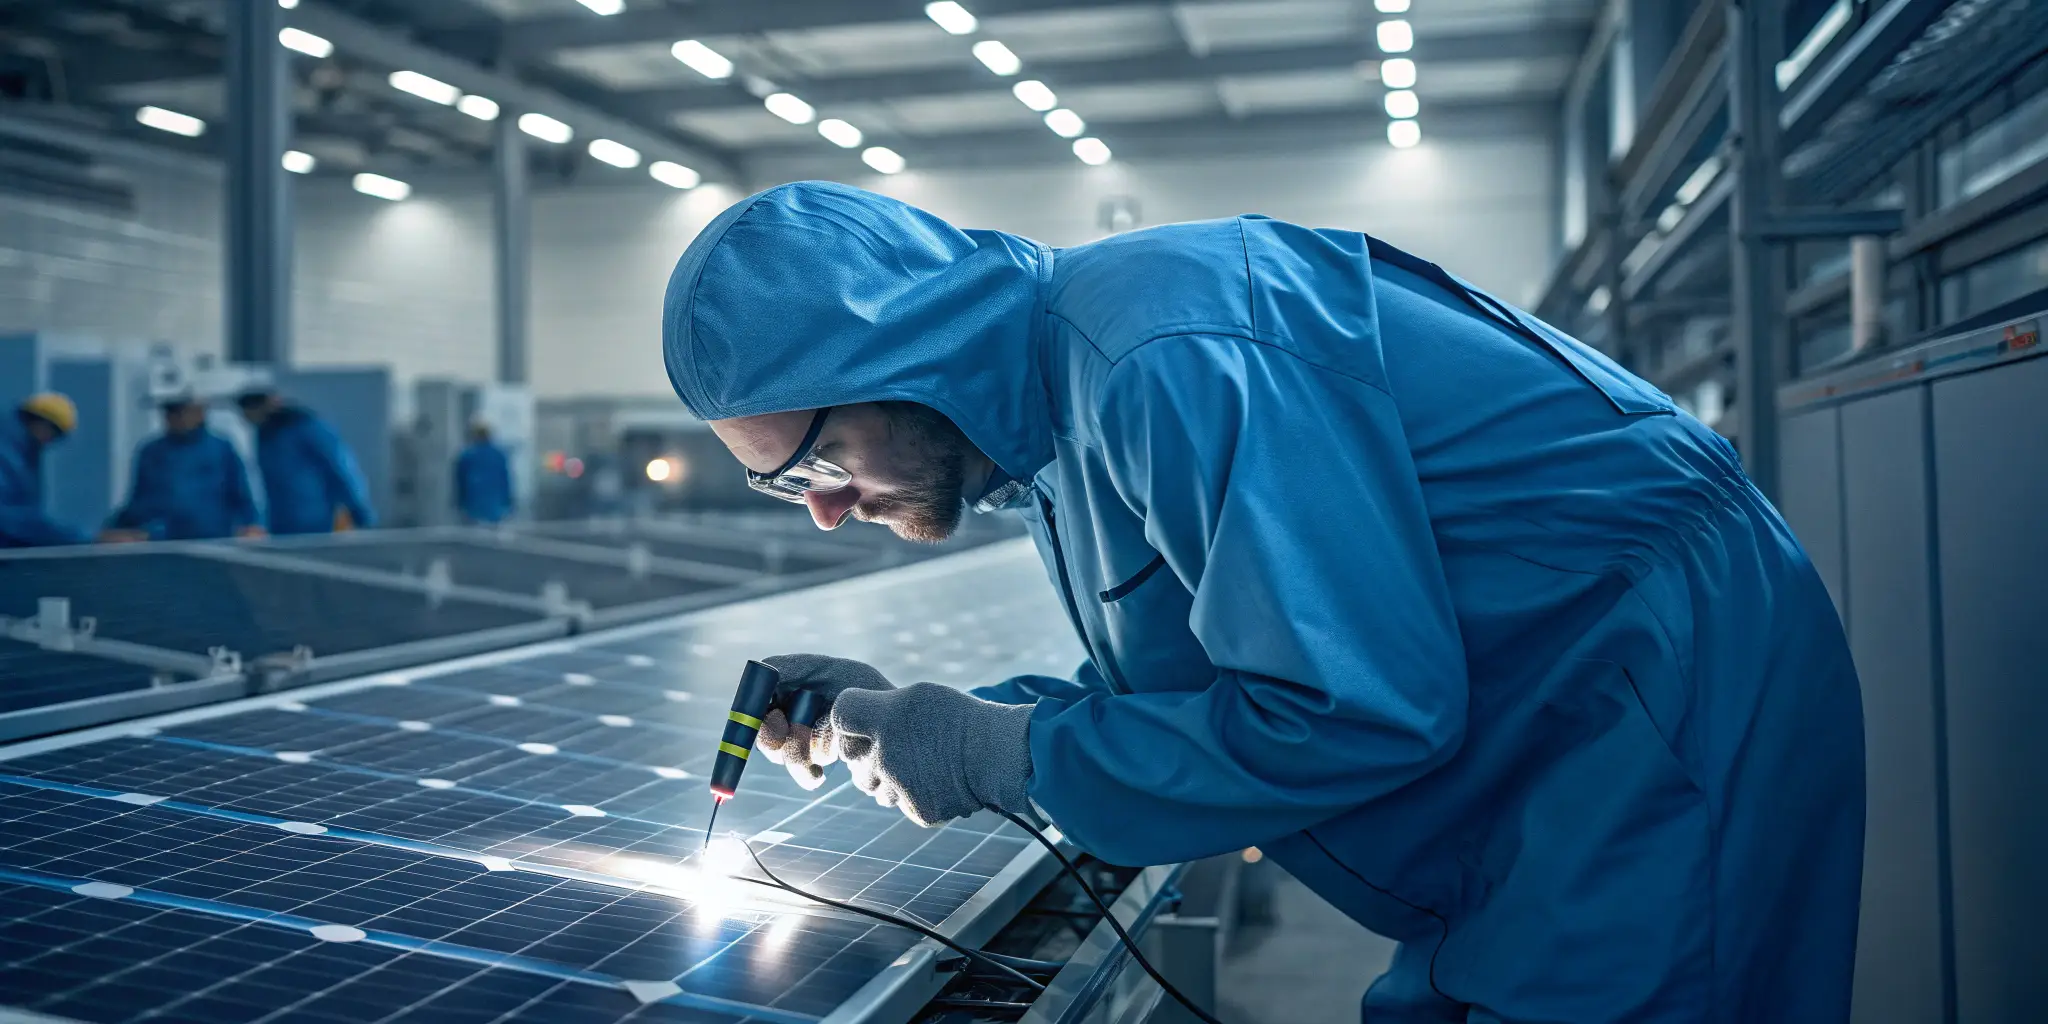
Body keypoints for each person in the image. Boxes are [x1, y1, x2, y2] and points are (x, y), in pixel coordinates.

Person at [661, 182, 1866, 1022]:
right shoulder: (1054, 435)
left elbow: (1347, 707)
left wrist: (995, 755)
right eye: (779, 487)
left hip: (1645, 696)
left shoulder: (1155, 350)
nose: (819, 509)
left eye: (815, 466)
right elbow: (1200, 685)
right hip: (1523, 734)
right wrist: (933, 722)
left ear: (899, 355)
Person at [102, 396, 262, 542]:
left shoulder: (222, 448)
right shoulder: (151, 452)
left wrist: (252, 525)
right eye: (170, 411)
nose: (174, 417)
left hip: (213, 544)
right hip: (161, 546)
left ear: (200, 411)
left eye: (180, 411)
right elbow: (137, 502)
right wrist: (113, 530)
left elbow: (242, 495)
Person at [236, 388, 375, 535]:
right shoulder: (264, 436)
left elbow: (340, 468)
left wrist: (360, 511)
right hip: (280, 525)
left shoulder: (307, 427)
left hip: (316, 521)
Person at [0, 392, 90, 548]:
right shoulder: (9, 455)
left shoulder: (21, 452)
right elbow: (8, 516)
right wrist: (78, 537)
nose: (49, 442)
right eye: (54, 434)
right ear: (41, 424)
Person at [453, 420, 514, 525]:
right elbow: (506, 482)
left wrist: (459, 504)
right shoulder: (499, 455)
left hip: (472, 507)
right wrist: (508, 504)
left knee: (473, 538)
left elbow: (460, 483)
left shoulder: (466, 455)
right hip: (496, 507)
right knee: (492, 537)